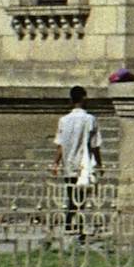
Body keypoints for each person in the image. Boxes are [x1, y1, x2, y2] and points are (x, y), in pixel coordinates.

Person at [54, 85, 100, 231]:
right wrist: (99, 163)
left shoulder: (64, 120)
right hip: (84, 163)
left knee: (72, 195)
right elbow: (94, 145)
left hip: (69, 162)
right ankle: (76, 225)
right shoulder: (90, 119)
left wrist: (56, 163)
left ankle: (70, 223)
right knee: (81, 198)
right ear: (84, 98)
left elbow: (60, 145)